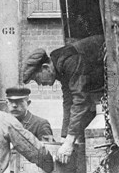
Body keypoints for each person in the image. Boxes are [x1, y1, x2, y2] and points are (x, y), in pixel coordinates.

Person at [22, 34, 105, 164]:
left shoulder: (69, 61)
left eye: (37, 78)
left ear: (45, 67)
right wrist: (64, 138)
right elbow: (68, 101)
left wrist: (69, 141)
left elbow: (80, 100)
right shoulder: (59, 65)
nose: (39, 84)